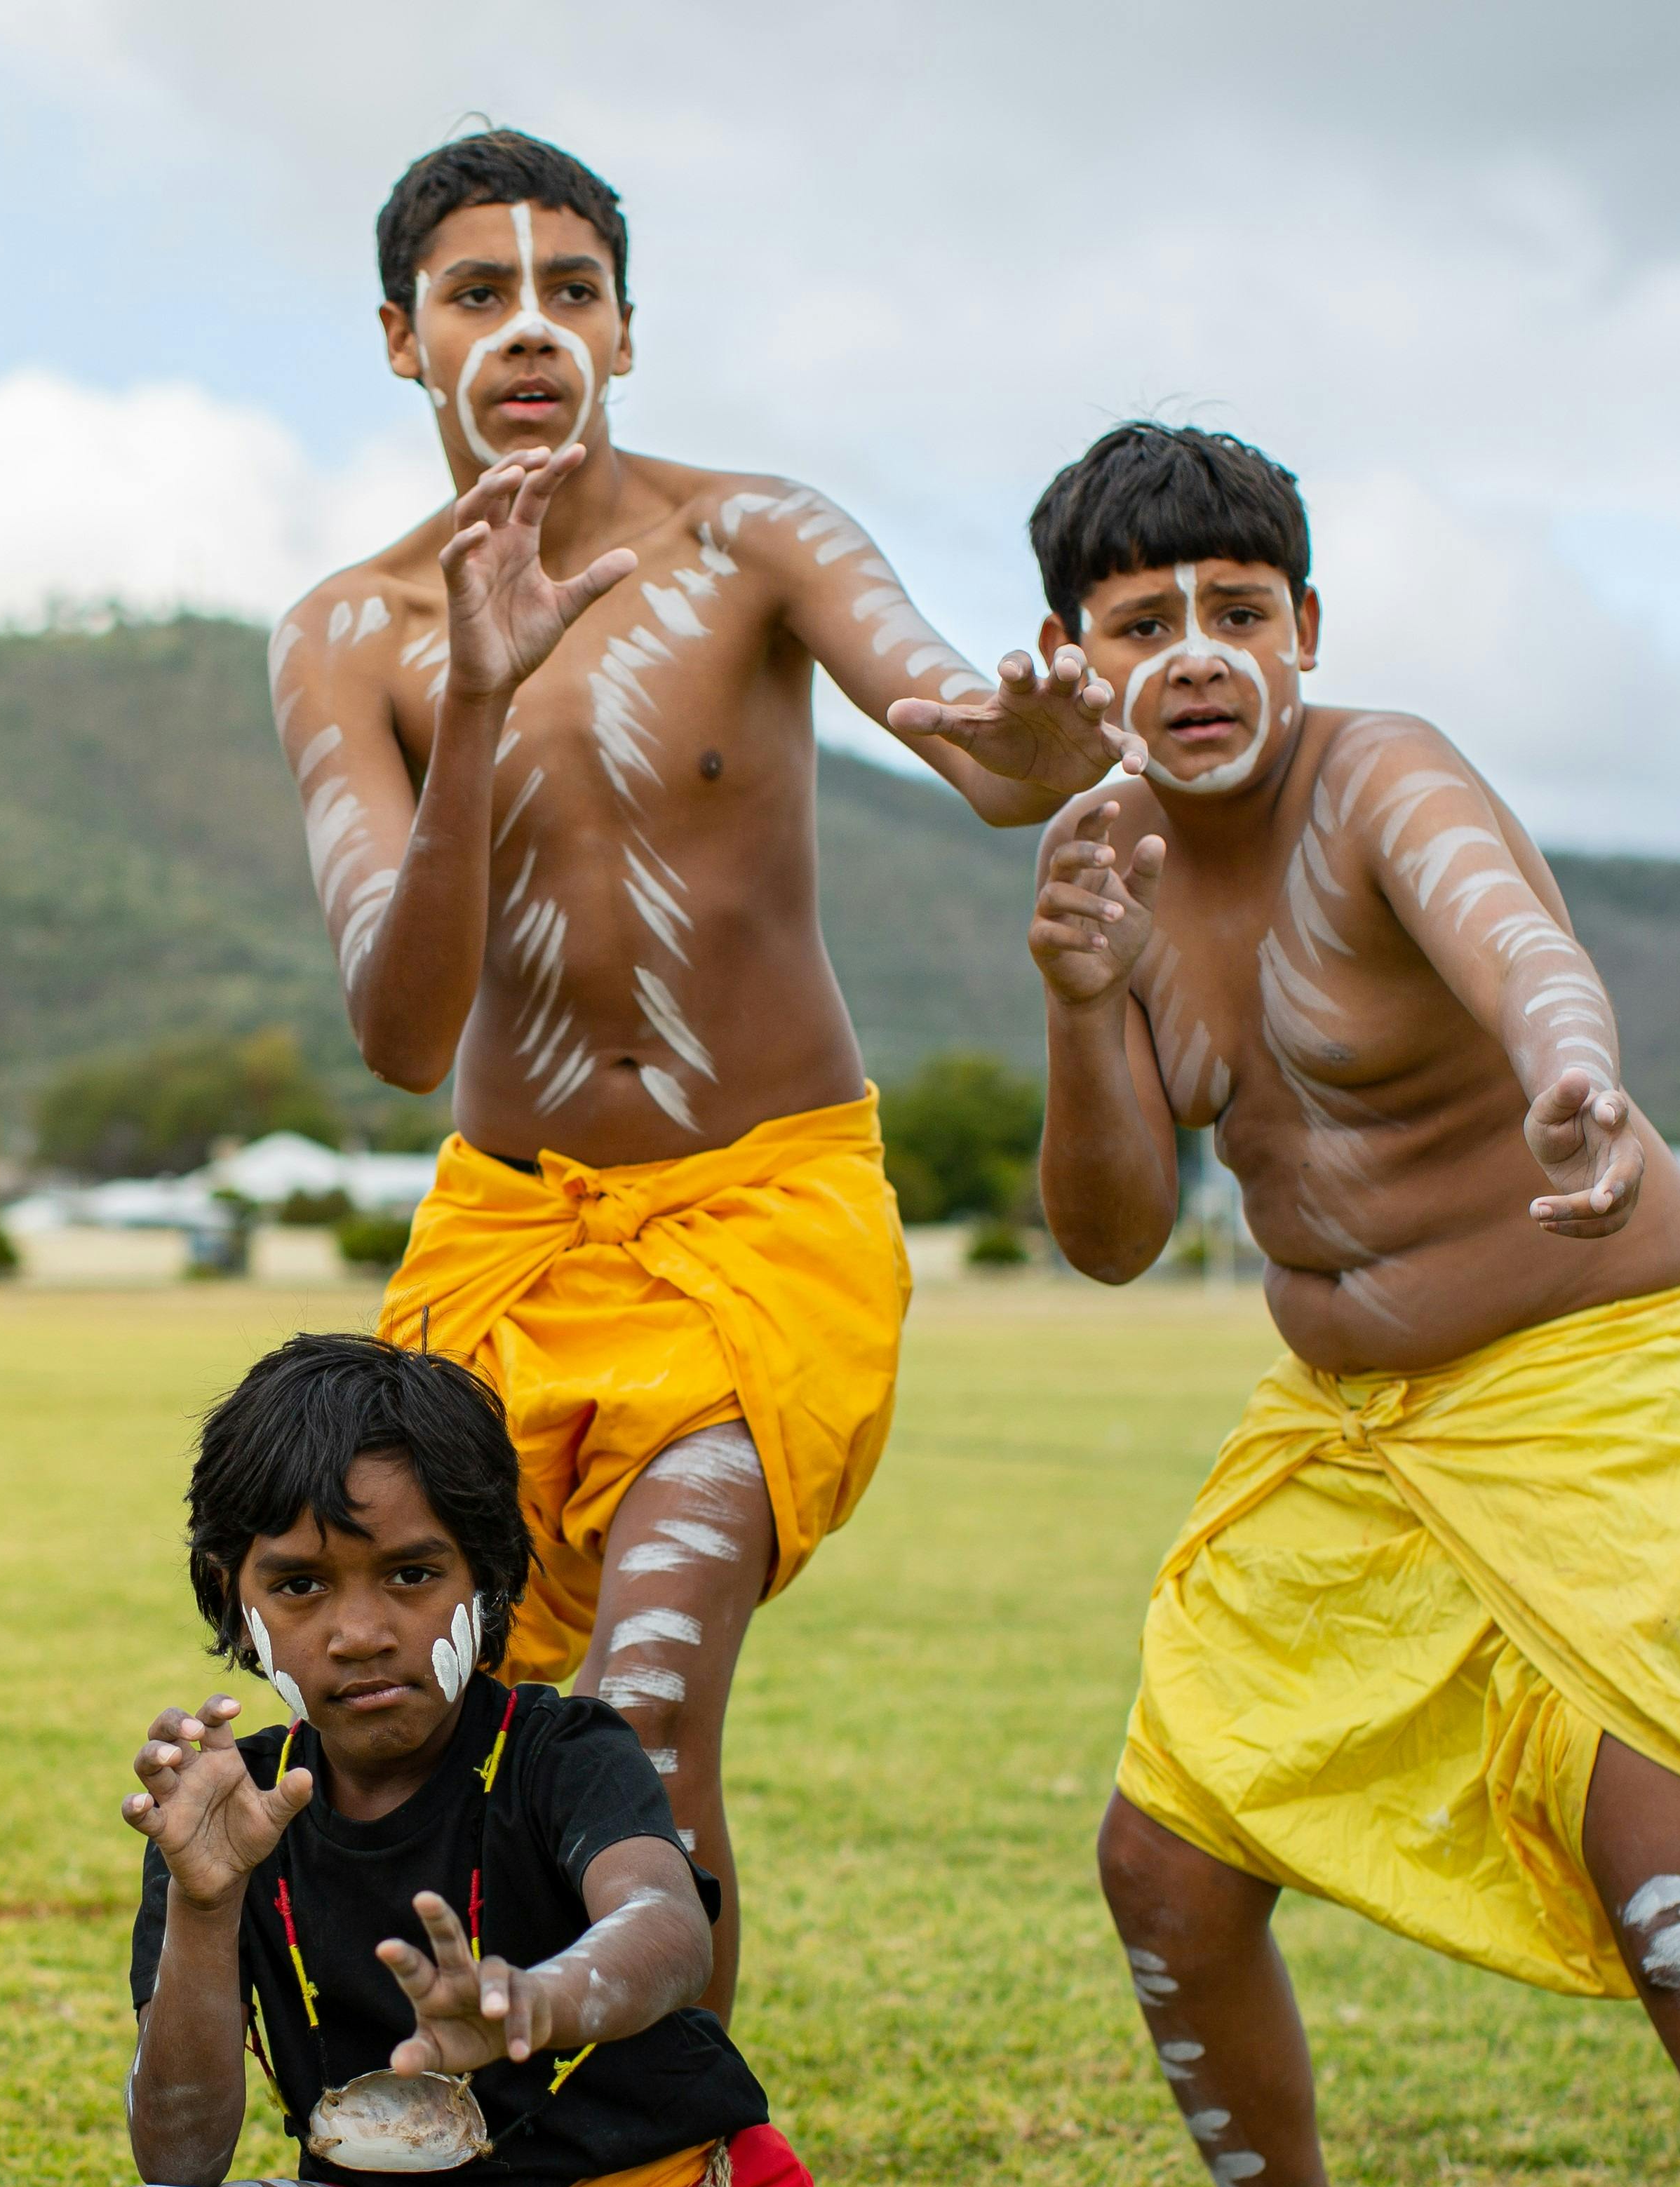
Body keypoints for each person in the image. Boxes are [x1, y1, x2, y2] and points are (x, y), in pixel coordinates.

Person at [270, 128, 1141, 2013]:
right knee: (464, 1731)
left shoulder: (758, 537)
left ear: (629, 332)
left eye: (568, 290)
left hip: (762, 1218)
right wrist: (483, 693)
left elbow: (976, 750)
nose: (526, 328)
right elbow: (401, 1031)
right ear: (400, 339)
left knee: (643, 1713)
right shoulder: (354, 634)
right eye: (476, 293)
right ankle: (517, 2142)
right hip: (508, 1238)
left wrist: (1035, 734)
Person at [1021, 421, 1680, 2187]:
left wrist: (1572, 1072)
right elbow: (1107, 1237)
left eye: (1235, 609)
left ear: (1306, 626)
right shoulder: (1113, 866)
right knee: (1160, 1857)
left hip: (1593, 1385)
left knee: (1676, 1874)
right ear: (1075, 661)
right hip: (1341, 1426)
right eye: (1138, 622)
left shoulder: (1380, 774)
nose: (1192, 653)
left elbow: (1514, 943)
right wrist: (1082, 999)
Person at [84, 1333, 881, 2187]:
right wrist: (206, 1904)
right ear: (232, 1598)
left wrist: (536, 2002)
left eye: (412, 1575)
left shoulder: (561, 1750)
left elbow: (665, 1928)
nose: (359, 1633)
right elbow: (180, 2156)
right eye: (299, 1585)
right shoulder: (223, 1817)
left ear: (491, 1573)